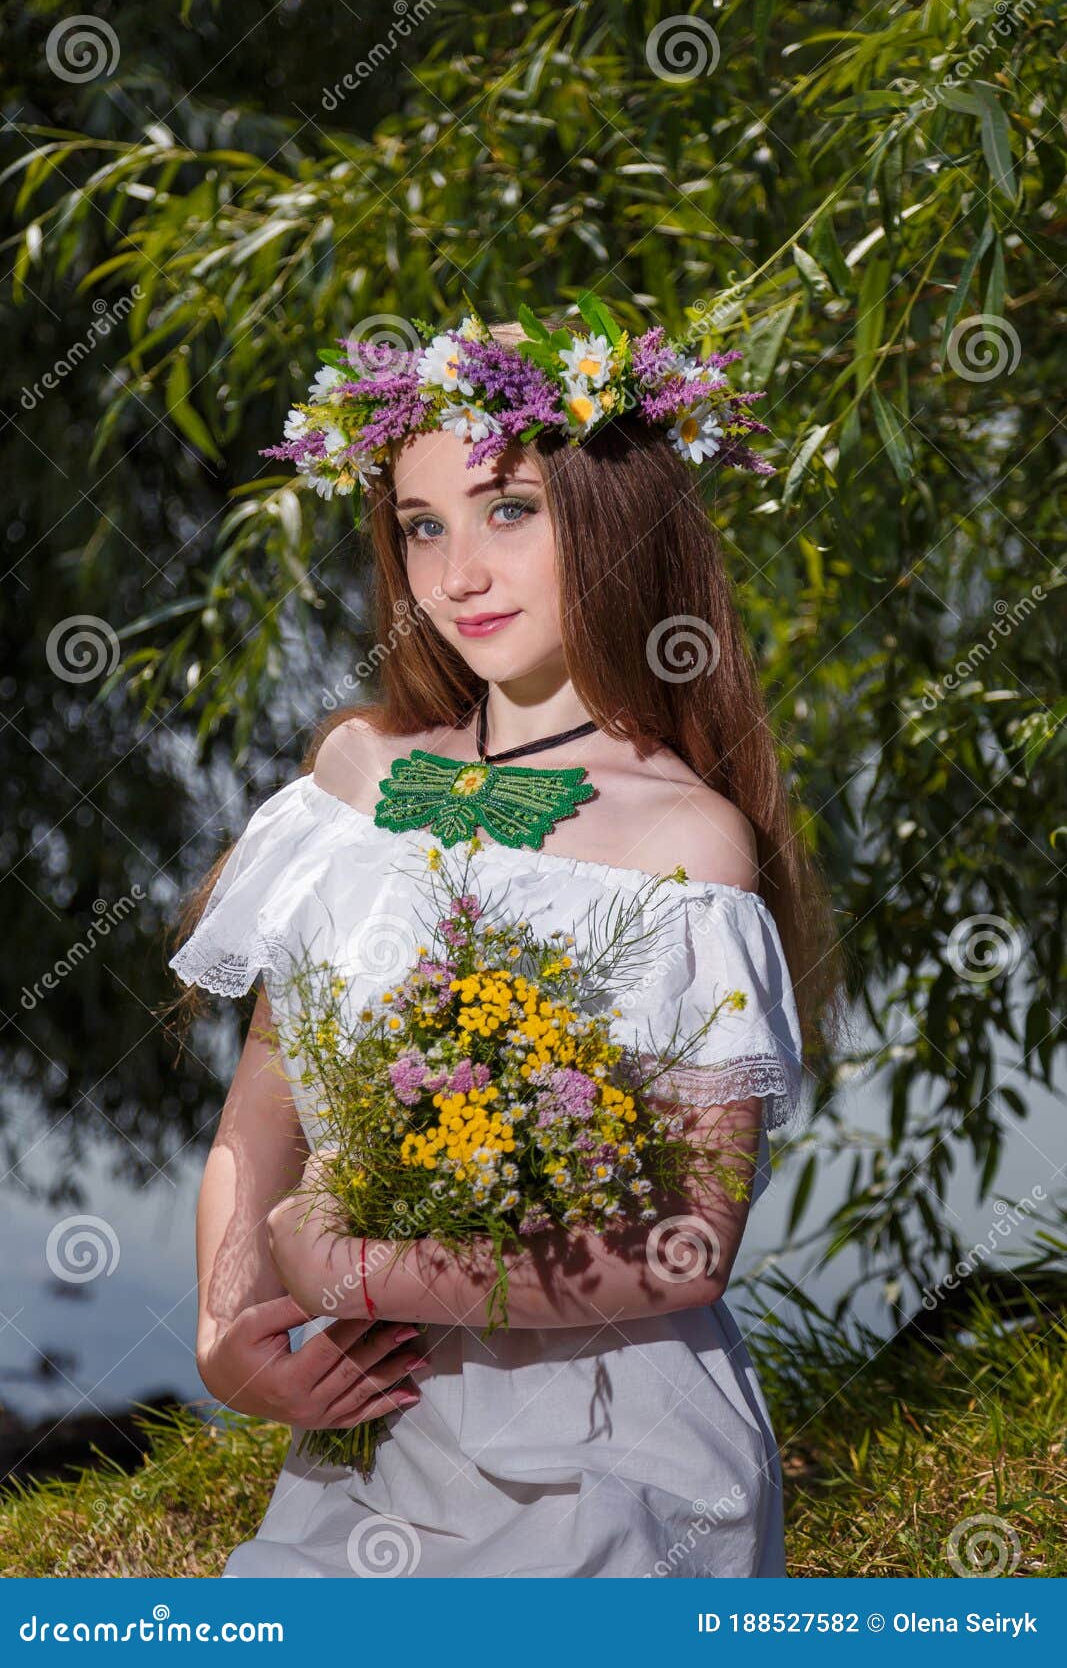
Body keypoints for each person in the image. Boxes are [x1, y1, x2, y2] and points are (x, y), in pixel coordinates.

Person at [168, 303, 843, 1578]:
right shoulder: (351, 776)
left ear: (612, 517)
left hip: (611, 1453)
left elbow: (692, 1242)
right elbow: (263, 1109)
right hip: (376, 1429)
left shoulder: (686, 841)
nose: (454, 574)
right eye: (421, 526)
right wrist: (224, 1333)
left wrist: (358, 1264)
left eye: (507, 511)